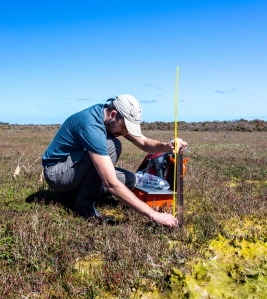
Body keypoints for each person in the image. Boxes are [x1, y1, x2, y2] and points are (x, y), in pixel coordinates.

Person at [42, 95, 188, 227]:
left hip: (75, 168)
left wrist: (167, 146)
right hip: (57, 173)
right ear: (113, 115)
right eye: (124, 127)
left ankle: (73, 195)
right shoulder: (92, 126)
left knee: (130, 180)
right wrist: (153, 214)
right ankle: (83, 205)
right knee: (113, 145)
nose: (125, 133)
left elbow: (143, 142)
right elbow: (111, 184)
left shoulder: (110, 118)